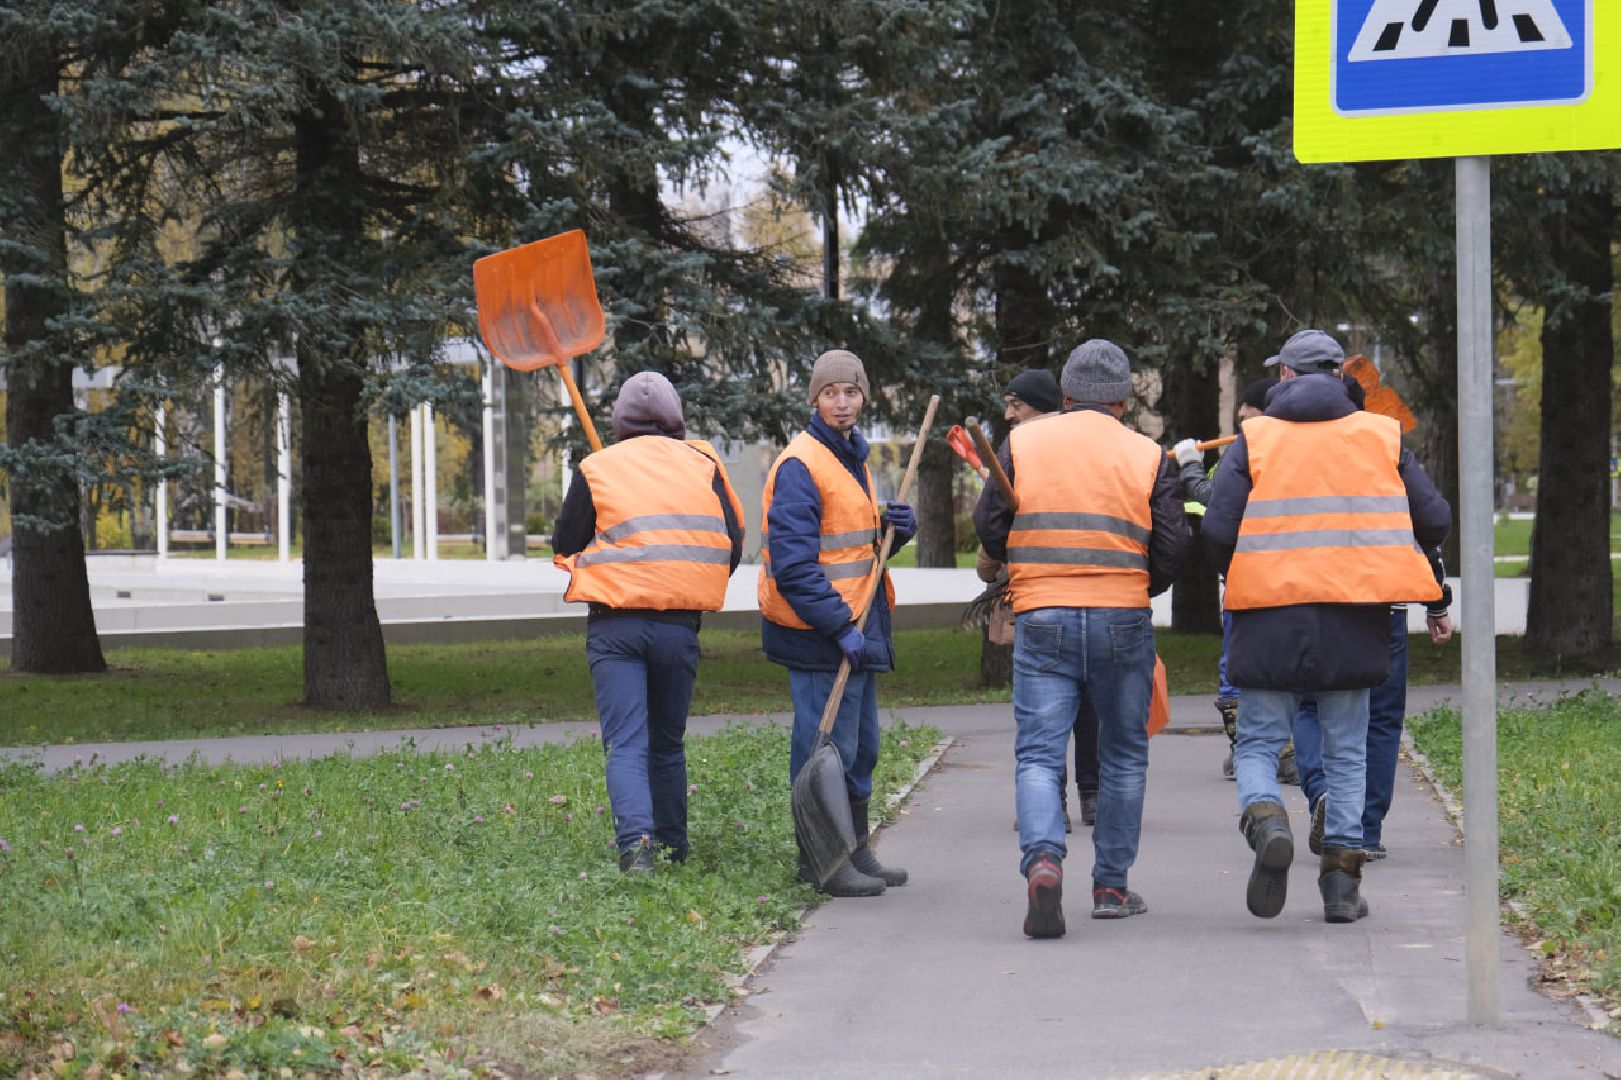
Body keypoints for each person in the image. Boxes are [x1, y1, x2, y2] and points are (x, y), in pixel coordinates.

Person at [1202, 329, 1450, 924]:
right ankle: (1341, 883)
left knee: (1258, 742)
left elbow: (1216, 530)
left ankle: (1267, 820)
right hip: (1354, 616)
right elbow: (1435, 518)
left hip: (1268, 615)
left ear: (1285, 376)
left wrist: (1244, 571)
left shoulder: (1254, 439)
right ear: (1341, 374)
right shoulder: (1381, 435)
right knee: (1348, 751)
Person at [974, 340, 1191, 938]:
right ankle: (1111, 888)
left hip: (1043, 613)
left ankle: (1044, 860)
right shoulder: (1148, 454)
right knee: (1123, 754)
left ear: (1066, 395)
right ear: (1122, 401)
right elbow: (1174, 544)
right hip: (1122, 615)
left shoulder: (1023, 443)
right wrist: (1140, 584)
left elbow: (990, 523)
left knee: (1039, 754)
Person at [552, 372, 746, 876]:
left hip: (615, 626)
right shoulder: (704, 464)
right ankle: (673, 846)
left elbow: (566, 542)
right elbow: (732, 544)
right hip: (679, 626)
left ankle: (637, 850)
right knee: (667, 742)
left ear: (620, 421)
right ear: (675, 418)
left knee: (626, 743)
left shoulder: (597, 467)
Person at [760, 349, 917, 897]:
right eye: (831, 393)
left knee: (860, 747)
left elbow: (850, 549)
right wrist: (839, 626)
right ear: (814, 400)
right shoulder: (801, 465)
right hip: (819, 633)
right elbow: (794, 567)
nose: (842, 402)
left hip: (856, 625)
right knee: (823, 750)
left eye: (851, 392)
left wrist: (894, 531)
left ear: (863, 398)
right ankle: (821, 861)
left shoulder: (851, 458)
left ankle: (855, 850)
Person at [974, 369, 1103, 832]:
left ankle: (1050, 806)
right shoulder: (1092, 447)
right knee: (1089, 704)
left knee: (1044, 714)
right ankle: (1094, 796)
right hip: (1101, 597)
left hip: (1042, 598)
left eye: (1017, 405)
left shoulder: (1021, 449)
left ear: (1042, 406)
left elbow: (988, 524)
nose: (1008, 414)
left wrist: (1004, 554)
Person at [1172, 375, 1299, 785]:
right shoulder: (1275, 451)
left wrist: (1190, 466)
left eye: (1249, 409)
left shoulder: (1256, 451)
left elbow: (1213, 499)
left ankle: (1262, 750)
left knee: (1240, 665)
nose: (1241, 414)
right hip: (1281, 578)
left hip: (1251, 578)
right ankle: (1264, 749)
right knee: (1266, 663)